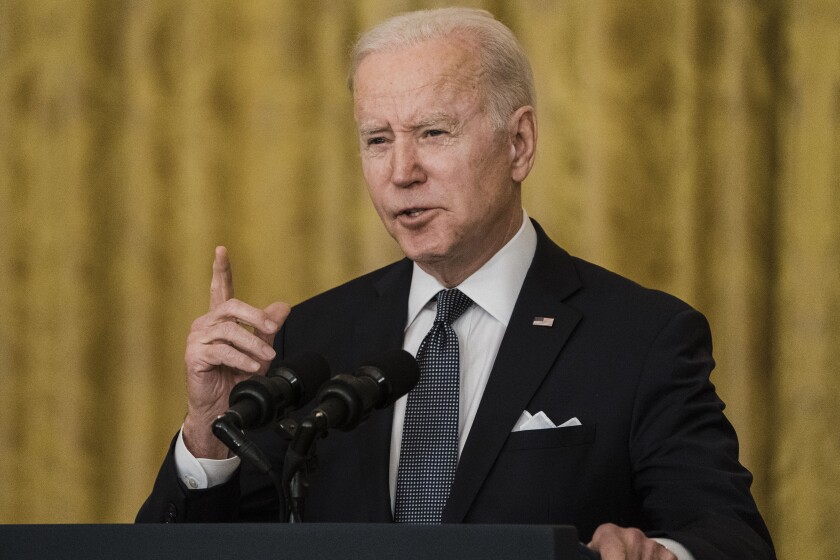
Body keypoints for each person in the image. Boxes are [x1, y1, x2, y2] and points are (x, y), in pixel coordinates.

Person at [137, 7, 775, 560]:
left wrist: (660, 554)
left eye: (433, 133)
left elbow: (731, 538)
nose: (402, 171)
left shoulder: (641, 338)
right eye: (377, 139)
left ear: (519, 143)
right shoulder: (314, 340)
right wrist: (208, 430)